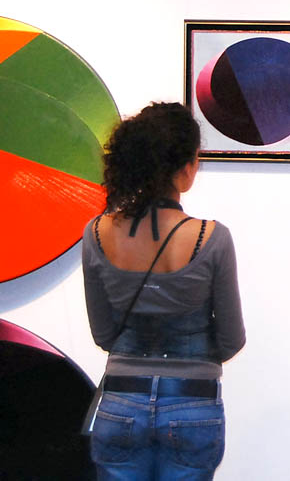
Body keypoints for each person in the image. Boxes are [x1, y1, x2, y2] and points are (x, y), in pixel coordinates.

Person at [82, 102, 245, 480]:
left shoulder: (97, 233)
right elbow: (232, 339)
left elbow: (104, 335)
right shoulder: (212, 238)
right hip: (192, 402)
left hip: (121, 401)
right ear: (186, 168)